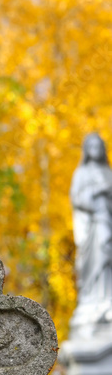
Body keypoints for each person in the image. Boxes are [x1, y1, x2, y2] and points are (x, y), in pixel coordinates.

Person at [70, 132, 112, 327]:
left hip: (106, 221)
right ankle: (91, 301)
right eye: (92, 146)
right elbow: (77, 199)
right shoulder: (81, 173)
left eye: (99, 146)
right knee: (94, 260)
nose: (96, 149)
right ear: (86, 150)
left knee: (107, 257)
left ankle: (107, 300)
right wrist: (97, 190)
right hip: (91, 226)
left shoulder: (108, 173)